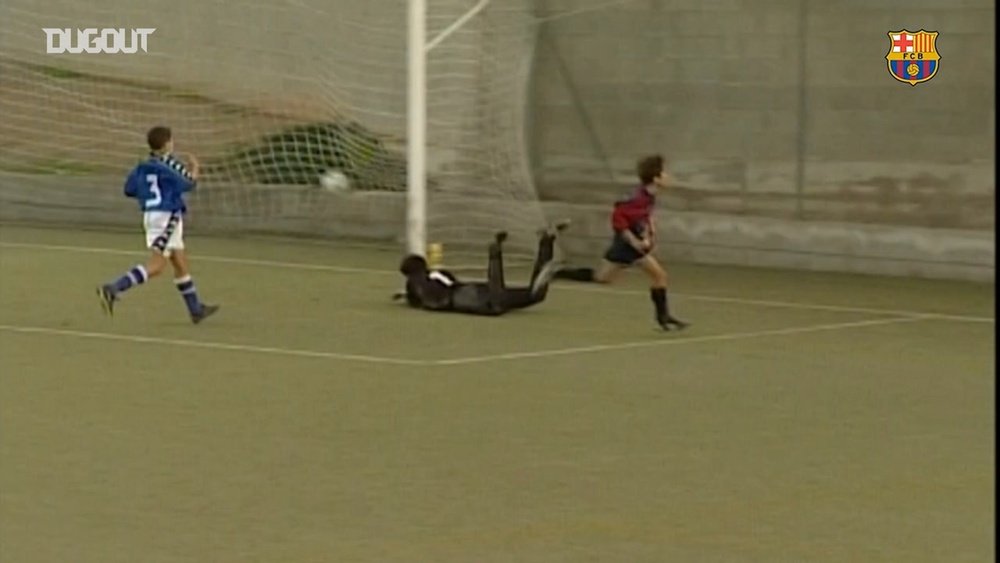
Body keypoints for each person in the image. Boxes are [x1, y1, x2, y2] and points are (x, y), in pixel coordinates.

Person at [96, 125, 219, 324]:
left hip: (153, 215)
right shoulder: (170, 163)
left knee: (180, 262)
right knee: (157, 266)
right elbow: (189, 184)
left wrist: (148, 194)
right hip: (167, 217)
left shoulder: (142, 166)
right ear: (168, 143)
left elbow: (129, 189)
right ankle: (114, 287)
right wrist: (195, 168)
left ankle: (195, 309)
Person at [554, 154, 687, 331]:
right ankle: (559, 272)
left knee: (658, 276)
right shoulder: (635, 197)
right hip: (625, 246)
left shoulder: (650, 195)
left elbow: (644, 217)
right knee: (602, 278)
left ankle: (663, 317)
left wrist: (649, 233)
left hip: (636, 244)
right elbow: (619, 221)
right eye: (664, 173)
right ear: (656, 178)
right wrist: (635, 242)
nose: (669, 176)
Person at [396, 224, 567, 316]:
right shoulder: (434, 274)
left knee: (497, 301)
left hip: (466, 299)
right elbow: (448, 281)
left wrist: (404, 296)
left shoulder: (414, 284)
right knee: (534, 295)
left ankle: (495, 251)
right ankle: (546, 243)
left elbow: (418, 300)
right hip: (469, 292)